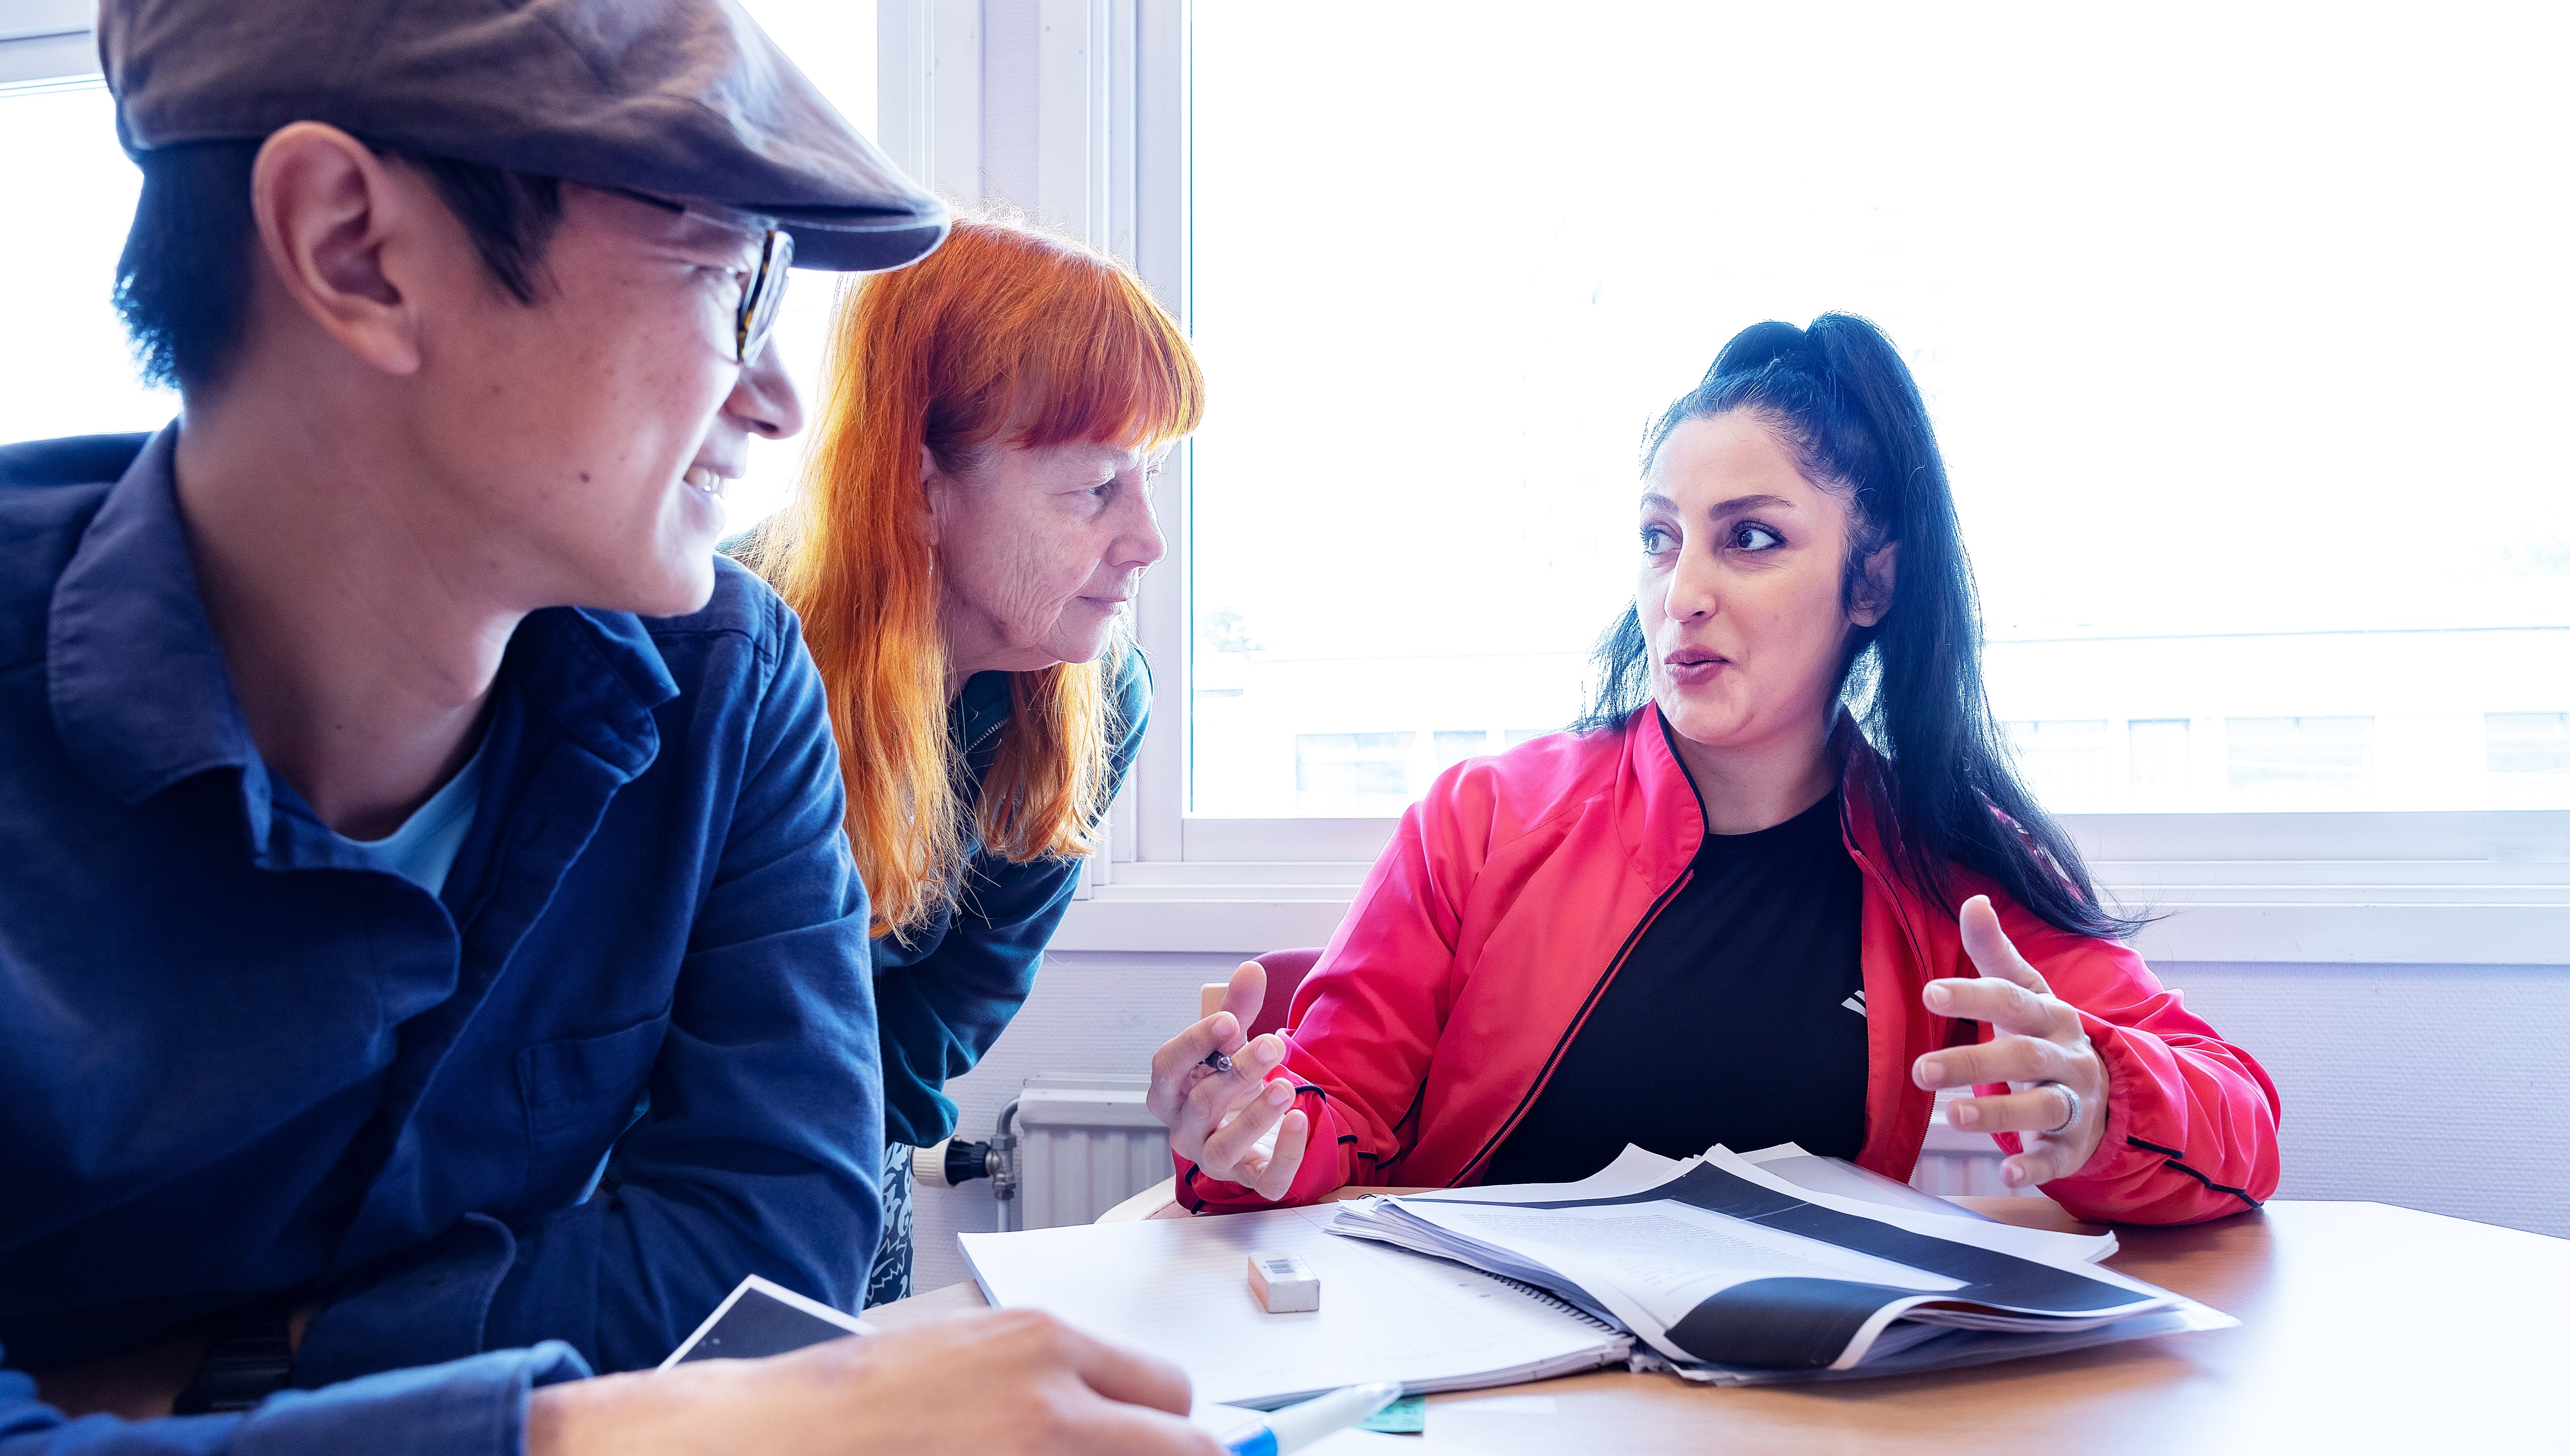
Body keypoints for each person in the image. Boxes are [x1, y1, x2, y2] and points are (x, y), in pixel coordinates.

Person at [0, 2, 1215, 1453]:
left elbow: (769, 1244)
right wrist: (568, 1427)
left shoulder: (725, 683)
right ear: (354, 248)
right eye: (716, 274)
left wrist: (205, 1379)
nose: (781, 402)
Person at [1148, 314, 2282, 1225]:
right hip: (1487, 1388)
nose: (1682, 592)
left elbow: (2240, 1119)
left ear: (1873, 582)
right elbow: (1329, 1112)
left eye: (1750, 538)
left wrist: (2102, 1099)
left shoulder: (1944, 861)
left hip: (1780, 1395)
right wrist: (1250, 1135)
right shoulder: (1480, 820)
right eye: (1661, 538)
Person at [745, 217, 1199, 1304]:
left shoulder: (1100, 697)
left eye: (1147, 479)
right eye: (1097, 487)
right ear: (919, 485)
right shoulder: (731, 657)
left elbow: (954, 1003)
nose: (1148, 540)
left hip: (854, 1151)